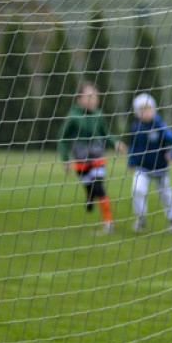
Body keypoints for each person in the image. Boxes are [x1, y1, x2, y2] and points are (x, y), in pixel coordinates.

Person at [57, 82, 126, 235]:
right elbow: (62, 139)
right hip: (81, 162)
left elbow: (105, 134)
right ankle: (89, 197)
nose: (93, 99)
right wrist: (65, 158)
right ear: (79, 99)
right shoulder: (73, 117)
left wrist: (115, 143)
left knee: (98, 187)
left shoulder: (99, 115)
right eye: (89, 96)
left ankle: (108, 223)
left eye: (95, 96)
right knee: (90, 188)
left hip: (98, 158)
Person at [126, 93, 172, 234]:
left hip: (160, 168)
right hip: (142, 168)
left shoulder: (160, 126)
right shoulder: (135, 127)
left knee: (166, 195)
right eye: (141, 110)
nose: (145, 112)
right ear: (137, 112)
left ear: (154, 109)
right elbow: (133, 146)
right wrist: (131, 161)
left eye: (148, 108)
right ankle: (141, 219)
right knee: (137, 189)